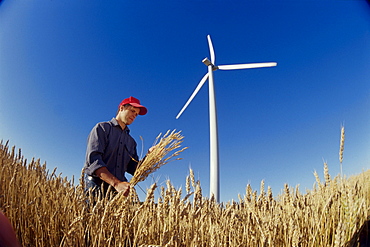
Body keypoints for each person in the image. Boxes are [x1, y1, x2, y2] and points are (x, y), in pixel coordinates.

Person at [83, 96, 148, 198]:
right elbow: (94, 161)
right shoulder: (102, 128)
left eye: (136, 114)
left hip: (118, 192)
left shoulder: (131, 142)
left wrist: (149, 156)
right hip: (96, 187)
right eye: (132, 111)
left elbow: (134, 169)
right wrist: (116, 183)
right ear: (121, 108)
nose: (134, 116)